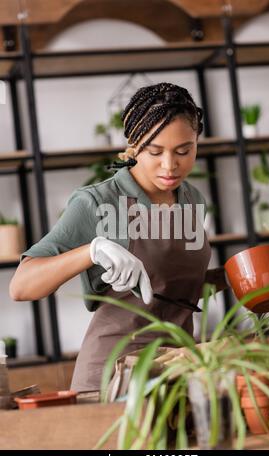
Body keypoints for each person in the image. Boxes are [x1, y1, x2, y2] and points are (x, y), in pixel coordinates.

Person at [9, 82, 229, 392]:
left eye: (184, 150)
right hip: (114, 377)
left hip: (179, 369)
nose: (170, 165)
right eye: (155, 152)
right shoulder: (98, 202)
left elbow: (172, 290)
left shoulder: (192, 199)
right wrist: (92, 251)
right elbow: (21, 286)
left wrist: (232, 277)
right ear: (134, 146)